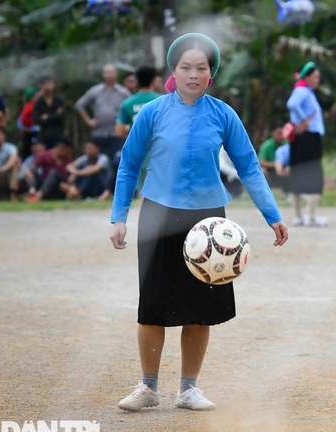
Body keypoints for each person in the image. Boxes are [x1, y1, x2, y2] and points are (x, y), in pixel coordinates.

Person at [110, 33, 288, 412]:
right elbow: (128, 166)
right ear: (173, 72)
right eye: (186, 67)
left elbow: (249, 167)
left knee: (201, 303)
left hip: (209, 222)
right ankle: (148, 387)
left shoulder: (223, 114)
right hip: (158, 215)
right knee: (152, 303)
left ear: (212, 74)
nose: (193, 74)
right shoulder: (153, 113)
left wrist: (272, 215)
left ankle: (189, 389)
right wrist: (118, 217)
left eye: (201, 68)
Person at [286, 61, 326, 227]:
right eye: (315, 77)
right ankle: (311, 217)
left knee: (297, 172)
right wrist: (304, 119)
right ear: (307, 77)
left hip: (301, 138)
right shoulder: (302, 90)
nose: (317, 80)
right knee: (314, 174)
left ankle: (299, 217)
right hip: (308, 138)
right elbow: (291, 104)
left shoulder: (304, 90)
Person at [114, 65, 162, 192]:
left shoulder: (127, 103)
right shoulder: (162, 101)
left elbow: (118, 132)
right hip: (160, 150)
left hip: (137, 150)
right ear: (153, 80)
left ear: (137, 81)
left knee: (143, 189)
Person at [75, 63, 131, 160]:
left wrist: (126, 125)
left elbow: (131, 106)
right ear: (103, 75)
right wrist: (88, 121)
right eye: (107, 73)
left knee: (117, 161)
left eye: (111, 73)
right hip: (99, 132)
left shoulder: (123, 92)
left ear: (116, 75)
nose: (109, 75)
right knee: (96, 160)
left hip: (116, 133)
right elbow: (79, 105)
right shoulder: (95, 91)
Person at [26, 137, 74, 202]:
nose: (68, 153)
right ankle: (32, 191)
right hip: (44, 183)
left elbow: (70, 177)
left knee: (53, 172)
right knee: (32, 172)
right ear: (61, 148)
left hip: (59, 185)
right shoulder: (44, 155)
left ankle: (39, 195)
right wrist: (28, 173)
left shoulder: (68, 159)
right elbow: (31, 168)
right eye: (67, 151)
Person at [33, 76, 66, 149]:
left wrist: (47, 116)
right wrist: (55, 115)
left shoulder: (59, 100)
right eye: (46, 84)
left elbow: (61, 116)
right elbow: (37, 119)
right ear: (42, 86)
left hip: (58, 134)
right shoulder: (39, 102)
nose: (49, 86)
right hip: (44, 135)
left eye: (51, 84)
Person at [258, 126, 288, 193]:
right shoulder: (266, 146)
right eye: (279, 133)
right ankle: (264, 192)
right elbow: (260, 161)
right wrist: (277, 165)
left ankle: (288, 191)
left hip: (284, 170)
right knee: (262, 170)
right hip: (271, 172)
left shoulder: (287, 144)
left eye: (283, 133)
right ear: (273, 133)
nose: (281, 135)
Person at [0, 126, 19, 201]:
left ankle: (13, 194)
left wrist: (3, 169)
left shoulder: (11, 147)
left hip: (5, 176)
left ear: (4, 136)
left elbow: (13, 159)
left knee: (14, 166)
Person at [17, 87, 40, 160]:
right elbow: (21, 122)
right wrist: (35, 128)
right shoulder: (30, 106)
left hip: (32, 133)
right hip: (31, 134)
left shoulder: (32, 106)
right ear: (31, 97)